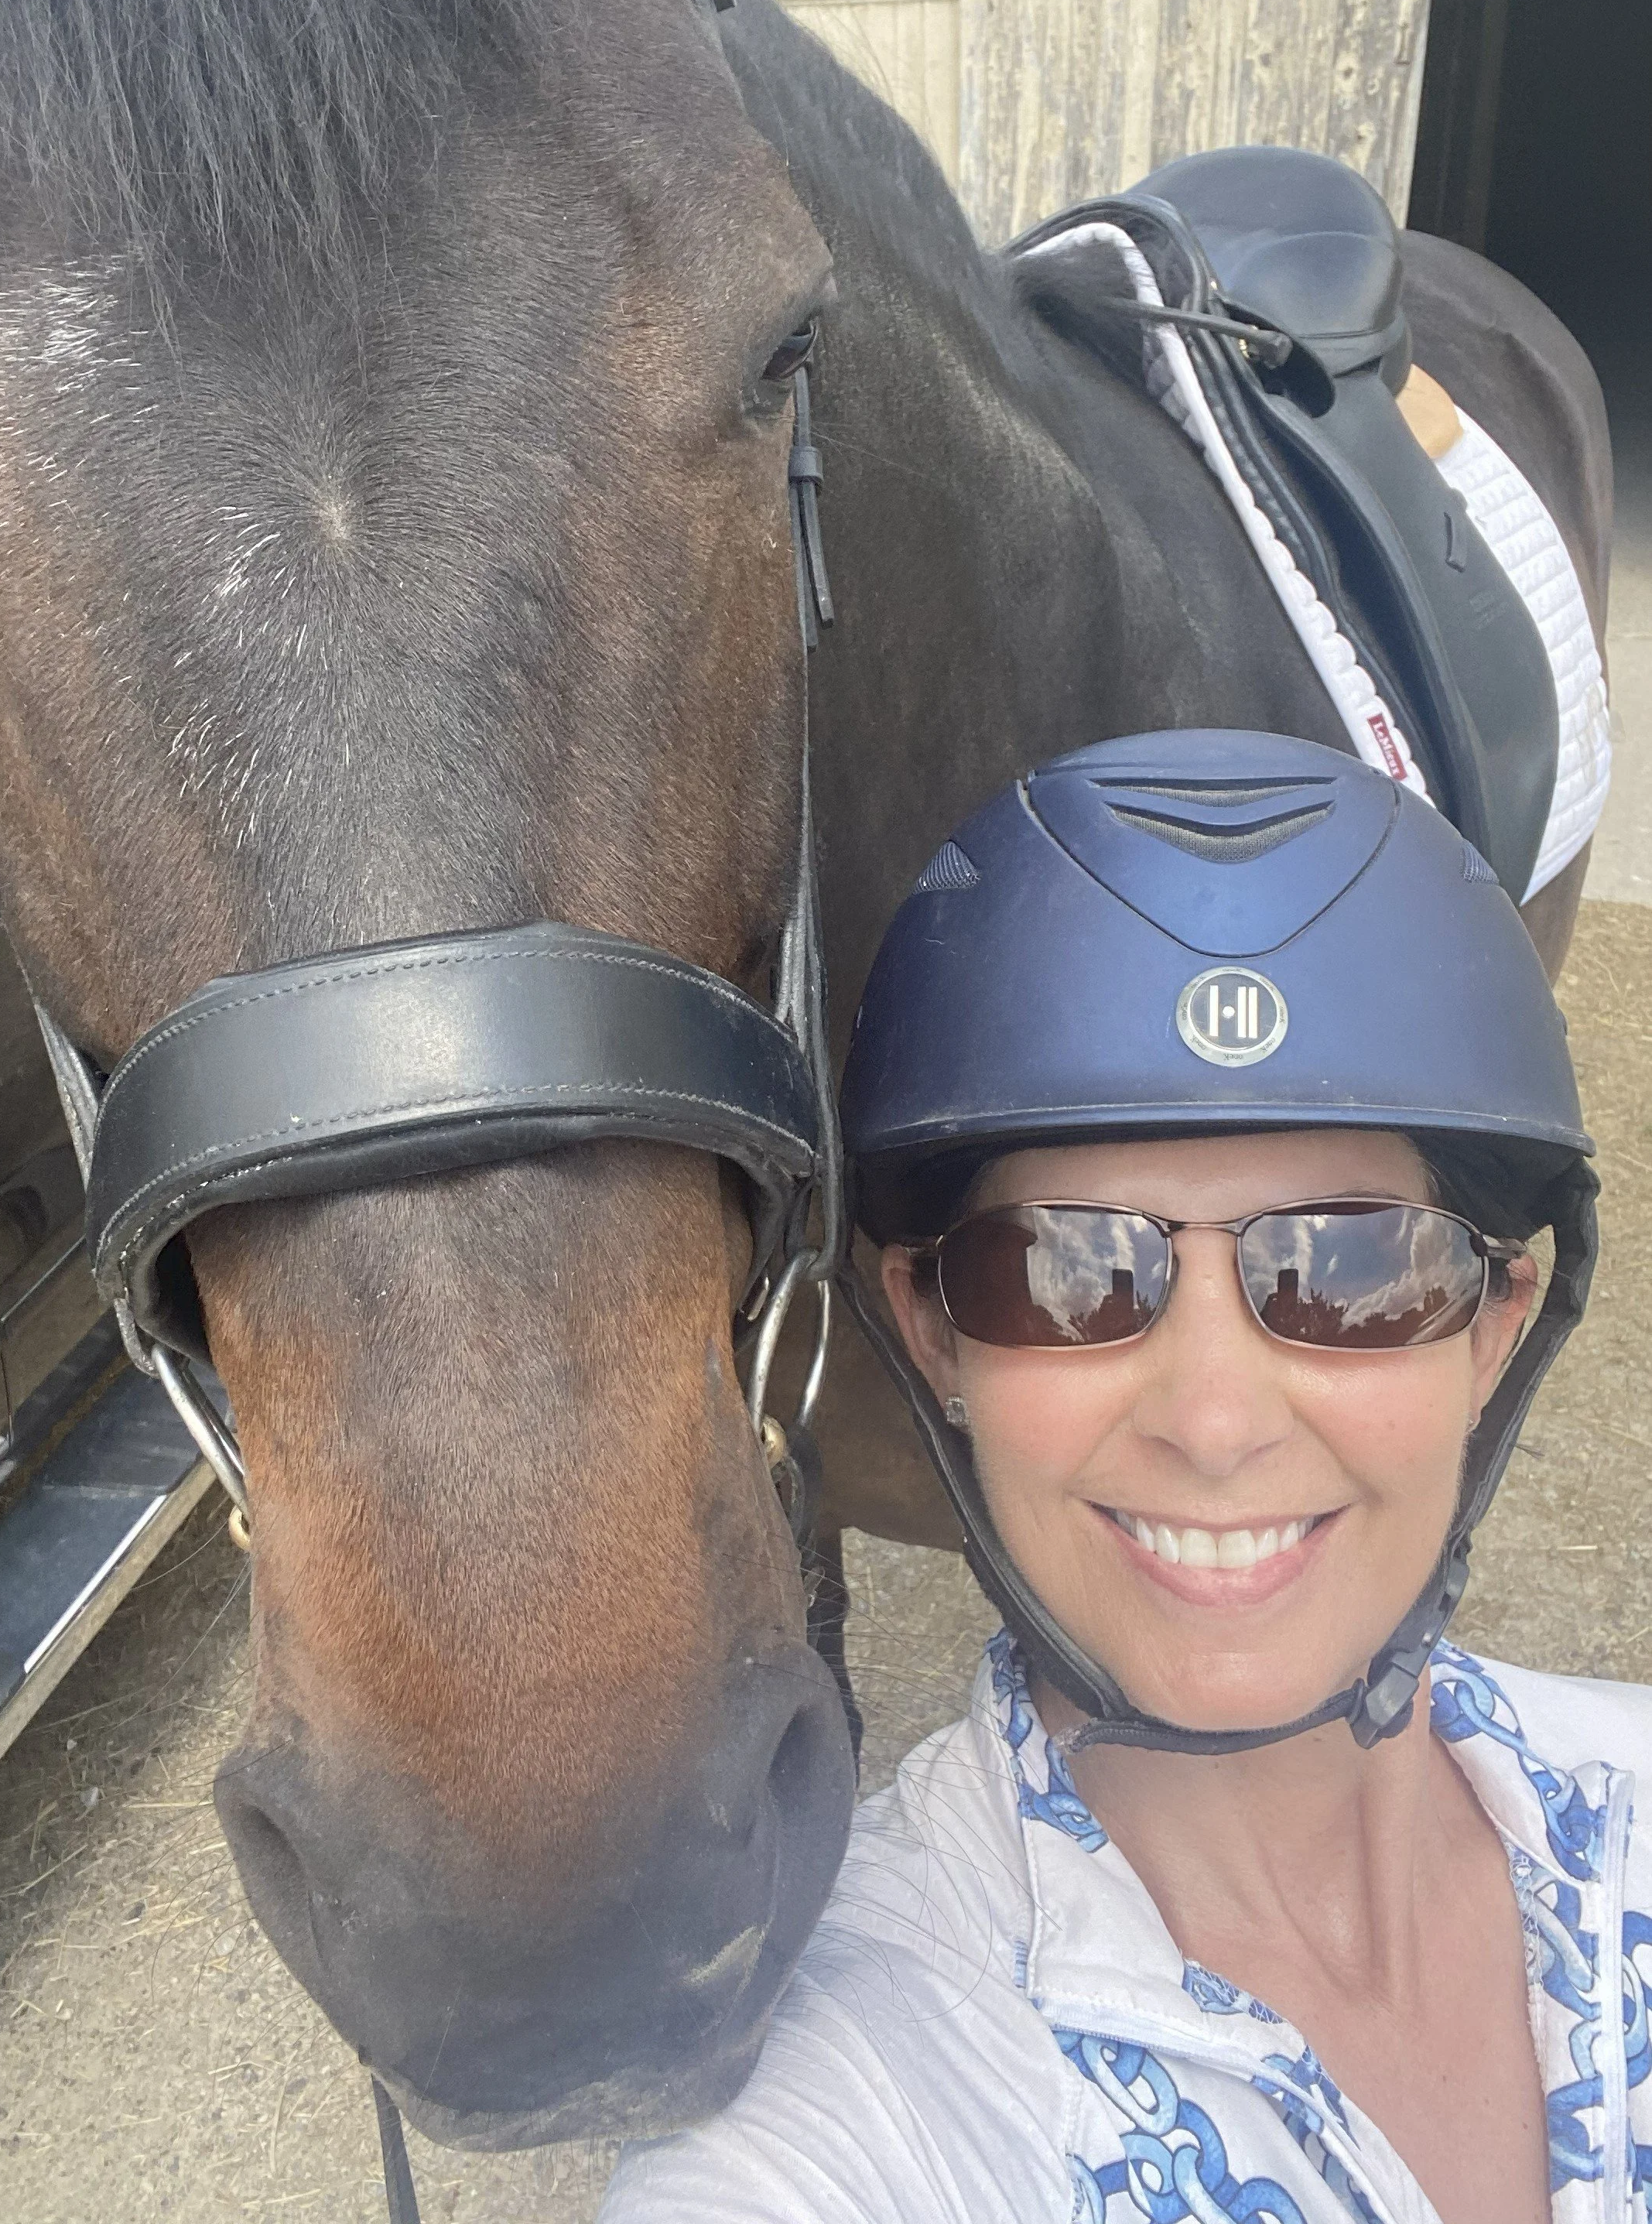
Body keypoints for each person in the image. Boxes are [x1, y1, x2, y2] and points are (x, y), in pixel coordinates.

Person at [601, 728, 1646, 2224]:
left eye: (1352, 1269)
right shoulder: (837, 2119)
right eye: (1065, 1272)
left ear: (1494, 1327)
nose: (1214, 1423)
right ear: (930, 1330)